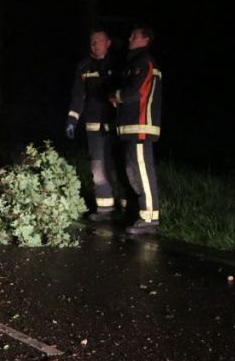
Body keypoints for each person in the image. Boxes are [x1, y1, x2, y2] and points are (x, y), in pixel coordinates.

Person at [111, 24, 163, 235]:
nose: (130, 38)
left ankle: (150, 218)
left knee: (142, 171)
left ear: (145, 40)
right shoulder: (134, 62)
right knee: (133, 172)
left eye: (134, 36)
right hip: (132, 128)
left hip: (141, 126)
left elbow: (135, 93)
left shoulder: (145, 62)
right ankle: (141, 214)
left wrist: (116, 95)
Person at [65, 27, 119, 219]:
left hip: (116, 126)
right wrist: (72, 119)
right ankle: (105, 209)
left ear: (108, 43)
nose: (95, 44)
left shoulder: (118, 64)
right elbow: (78, 95)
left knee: (120, 167)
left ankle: (128, 209)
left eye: (99, 40)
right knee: (98, 168)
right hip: (94, 125)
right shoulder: (84, 66)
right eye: (92, 41)